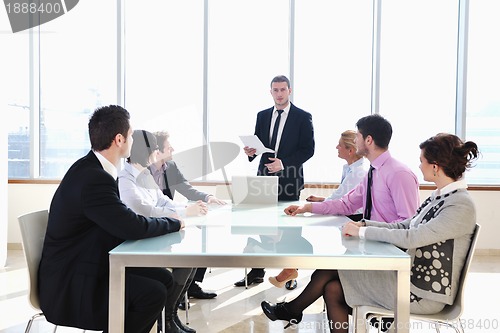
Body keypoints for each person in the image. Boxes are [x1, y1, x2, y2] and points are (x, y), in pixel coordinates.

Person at [261, 133, 479, 333]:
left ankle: (291, 311)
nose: (419, 166)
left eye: (422, 161)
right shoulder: (439, 197)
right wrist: (364, 226)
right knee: (333, 288)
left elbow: (414, 237)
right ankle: (291, 311)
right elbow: (405, 225)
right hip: (410, 280)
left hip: (424, 293)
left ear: (435, 167)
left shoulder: (459, 204)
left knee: (331, 271)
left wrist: (364, 233)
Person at [38, 105, 183, 333]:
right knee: (152, 294)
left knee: (163, 279)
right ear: (119, 139)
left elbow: (121, 222)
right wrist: (174, 223)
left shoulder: (93, 169)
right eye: (132, 135)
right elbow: (131, 225)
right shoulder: (93, 178)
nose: (133, 140)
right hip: (70, 284)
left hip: (86, 263)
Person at [118, 129, 208, 333]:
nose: (157, 152)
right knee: (185, 262)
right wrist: (185, 211)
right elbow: (144, 210)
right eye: (156, 148)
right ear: (147, 151)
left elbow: (162, 200)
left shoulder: (144, 173)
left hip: (154, 233)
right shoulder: (125, 178)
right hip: (140, 241)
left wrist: (186, 210)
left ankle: (170, 316)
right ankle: (165, 320)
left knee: (191, 260)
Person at [236, 74, 315, 287]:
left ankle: (289, 272)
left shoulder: (302, 116)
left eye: (283, 90)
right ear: (270, 92)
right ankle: (257, 271)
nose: (279, 94)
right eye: (275, 90)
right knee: (263, 224)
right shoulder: (262, 116)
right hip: (264, 178)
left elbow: (308, 150)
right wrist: (251, 152)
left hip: (289, 178)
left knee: (289, 228)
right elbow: (258, 145)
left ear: (289, 91)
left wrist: (285, 163)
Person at [270, 130, 368, 290]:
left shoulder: (358, 173)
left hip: (350, 220)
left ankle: (291, 268)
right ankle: (291, 268)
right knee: (301, 228)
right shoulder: (351, 169)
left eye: (340, 145)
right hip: (344, 215)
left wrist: (308, 207)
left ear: (350, 150)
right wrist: (322, 200)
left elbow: (342, 202)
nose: (337, 147)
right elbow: (343, 196)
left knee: (305, 232)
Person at [150, 130, 219, 305]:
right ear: (157, 151)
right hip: (152, 223)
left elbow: (186, 189)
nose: (172, 149)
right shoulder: (142, 172)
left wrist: (207, 197)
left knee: (202, 237)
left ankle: (191, 285)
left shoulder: (170, 167)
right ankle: (178, 291)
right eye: (168, 146)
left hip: (170, 219)